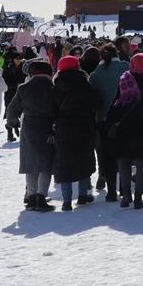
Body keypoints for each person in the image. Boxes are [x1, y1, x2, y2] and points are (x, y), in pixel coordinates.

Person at [105, 55, 143, 210]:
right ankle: (139, 197)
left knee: (124, 161)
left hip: (125, 127)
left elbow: (116, 104)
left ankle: (126, 194)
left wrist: (110, 123)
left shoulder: (125, 78)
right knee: (142, 162)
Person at [6, 59, 57, 212]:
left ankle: (32, 198)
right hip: (47, 127)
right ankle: (41, 197)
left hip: (28, 127)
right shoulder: (52, 88)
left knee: (30, 163)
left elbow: (12, 109)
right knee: (46, 164)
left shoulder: (24, 88)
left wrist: (13, 123)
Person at [51, 55, 98, 211]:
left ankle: (67, 201)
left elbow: (52, 109)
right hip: (84, 126)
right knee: (83, 158)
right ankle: (83, 195)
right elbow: (95, 103)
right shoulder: (85, 84)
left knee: (65, 163)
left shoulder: (56, 86)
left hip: (63, 128)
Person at [90, 45, 129, 201]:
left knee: (107, 155)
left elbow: (93, 93)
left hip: (103, 118)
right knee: (124, 154)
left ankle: (111, 191)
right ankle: (124, 189)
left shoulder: (97, 73)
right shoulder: (125, 67)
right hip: (124, 116)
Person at [2, 52, 26, 142]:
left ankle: (19, 129)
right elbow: (4, 82)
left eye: (19, 58)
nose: (19, 60)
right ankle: (10, 133)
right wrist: (15, 85)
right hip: (10, 93)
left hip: (21, 93)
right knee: (9, 112)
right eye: (16, 59)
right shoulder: (7, 69)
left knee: (22, 111)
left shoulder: (23, 68)